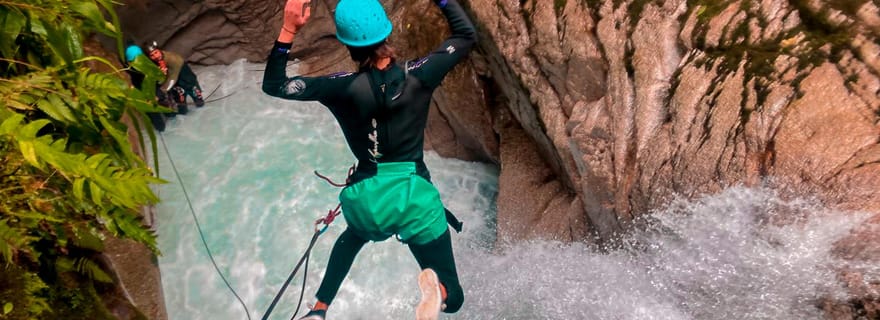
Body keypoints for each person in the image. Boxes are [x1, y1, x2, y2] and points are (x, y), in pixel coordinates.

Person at [261, 0, 476, 319]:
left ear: (347, 44)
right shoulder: (420, 74)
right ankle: (439, 291)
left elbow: (275, 85)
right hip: (414, 196)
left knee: (353, 236)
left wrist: (289, 27)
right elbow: (465, 35)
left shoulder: (339, 87)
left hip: (368, 198)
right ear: (387, 32)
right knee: (454, 297)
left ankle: (319, 310)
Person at [145, 41, 206, 115]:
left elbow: (172, 79)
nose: (156, 56)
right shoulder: (154, 63)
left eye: (156, 52)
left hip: (189, 82)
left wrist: (158, 95)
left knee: (200, 103)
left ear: (159, 50)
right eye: (152, 55)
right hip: (177, 87)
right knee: (182, 111)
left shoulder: (173, 59)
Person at [124, 41, 171, 132]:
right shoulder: (132, 70)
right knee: (159, 120)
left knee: (164, 112)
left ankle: (164, 123)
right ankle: (162, 127)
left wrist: (156, 95)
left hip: (153, 92)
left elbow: (159, 82)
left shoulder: (145, 66)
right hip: (146, 95)